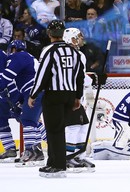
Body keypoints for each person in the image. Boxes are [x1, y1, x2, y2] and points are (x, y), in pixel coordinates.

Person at [28, 20, 85, 178]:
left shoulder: (49, 51)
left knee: (54, 130)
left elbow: (42, 75)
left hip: (54, 94)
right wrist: (77, 96)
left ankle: (58, 165)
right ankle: (52, 162)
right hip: (69, 95)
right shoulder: (74, 51)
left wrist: (33, 94)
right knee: (58, 129)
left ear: (49, 34)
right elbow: (80, 75)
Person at [63, 27, 107, 172]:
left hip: (77, 97)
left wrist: (95, 78)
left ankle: (78, 156)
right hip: (68, 96)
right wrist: (94, 80)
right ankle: (68, 157)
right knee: (73, 127)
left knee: (82, 126)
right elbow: (76, 77)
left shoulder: (79, 54)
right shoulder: (68, 54)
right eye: (79, 36)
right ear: (72, 39)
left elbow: (81, 76)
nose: (82, 39)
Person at [0, 40, 45, 166]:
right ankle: (38, 151)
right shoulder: (27, 56)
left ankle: (30, 151)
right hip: (33, 92)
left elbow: (8, 76)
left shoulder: (20, 56)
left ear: (13, 49)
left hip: (34, 92)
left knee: (28, 120)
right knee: (31, 120)